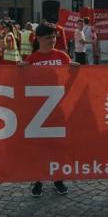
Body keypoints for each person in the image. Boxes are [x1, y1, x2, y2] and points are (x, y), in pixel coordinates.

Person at [20, 23, 80, 196]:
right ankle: (37, 179)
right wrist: (20, 71)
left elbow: (70, 82)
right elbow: (23, 85)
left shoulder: (62, 56)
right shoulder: (31, 59)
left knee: (57, 145)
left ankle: (58, 178)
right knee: (39, 146)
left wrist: (75, 72)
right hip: (37, 110)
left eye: (54, 37)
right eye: (48, 37)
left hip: (57, 108)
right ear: (38, 39)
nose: (52, 40)